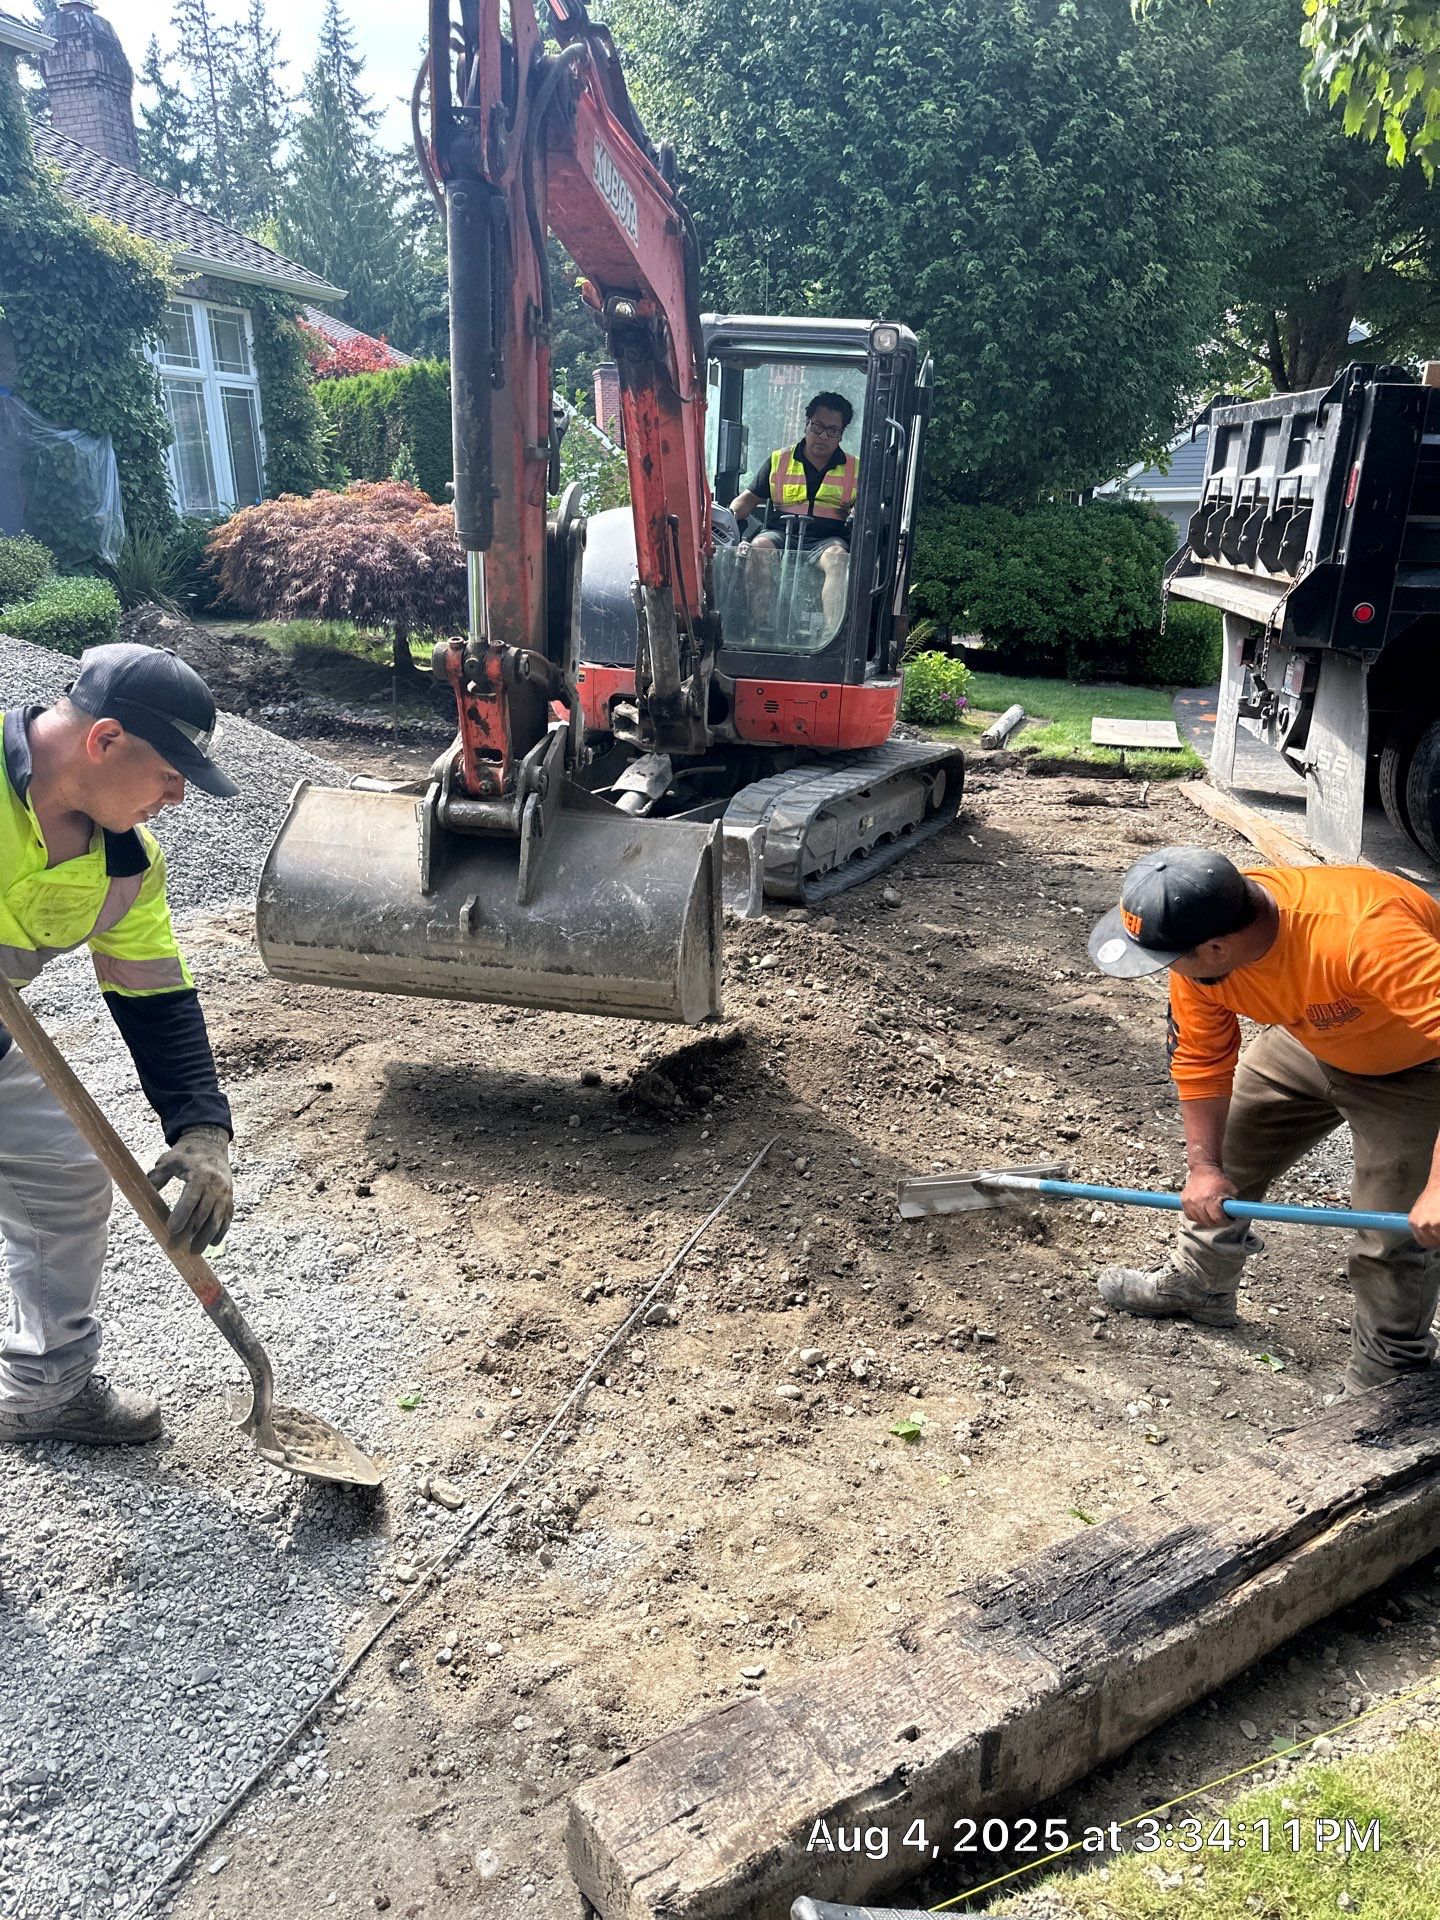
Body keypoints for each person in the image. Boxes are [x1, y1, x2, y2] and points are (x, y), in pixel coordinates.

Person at [1087, 845, 1440, 1394]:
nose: (1165, 971)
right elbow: (1202, 1058)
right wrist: (1204, 1167)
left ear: (1218, 947)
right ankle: (1202, 1285)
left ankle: (1390, 1370)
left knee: (1390, 1228)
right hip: (1313, 1041)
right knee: (1229, 1148)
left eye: (1168, 960)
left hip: (1418, 1066)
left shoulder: (1366, 934)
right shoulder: (1201, 942)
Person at [0, 642, 239, 1446]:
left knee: (64, 1176)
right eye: (170, 774)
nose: (176, 797)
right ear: (103, 741)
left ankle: (46, 1387)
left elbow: (158, 999)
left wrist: (201, 1129)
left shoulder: (128, 867)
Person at [730, 390, 859, 635]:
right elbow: (746, 501)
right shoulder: (779, 460)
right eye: (817, 426)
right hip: (780, 535)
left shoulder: (855, 468)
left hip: (826, 541)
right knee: (758, 550)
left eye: (833, 430)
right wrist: (723, 517)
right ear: (806, 423)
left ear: (842, 434)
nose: (823, 436)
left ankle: (833, 635)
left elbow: (865, 510)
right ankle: (761, 629)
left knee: (839, 559)